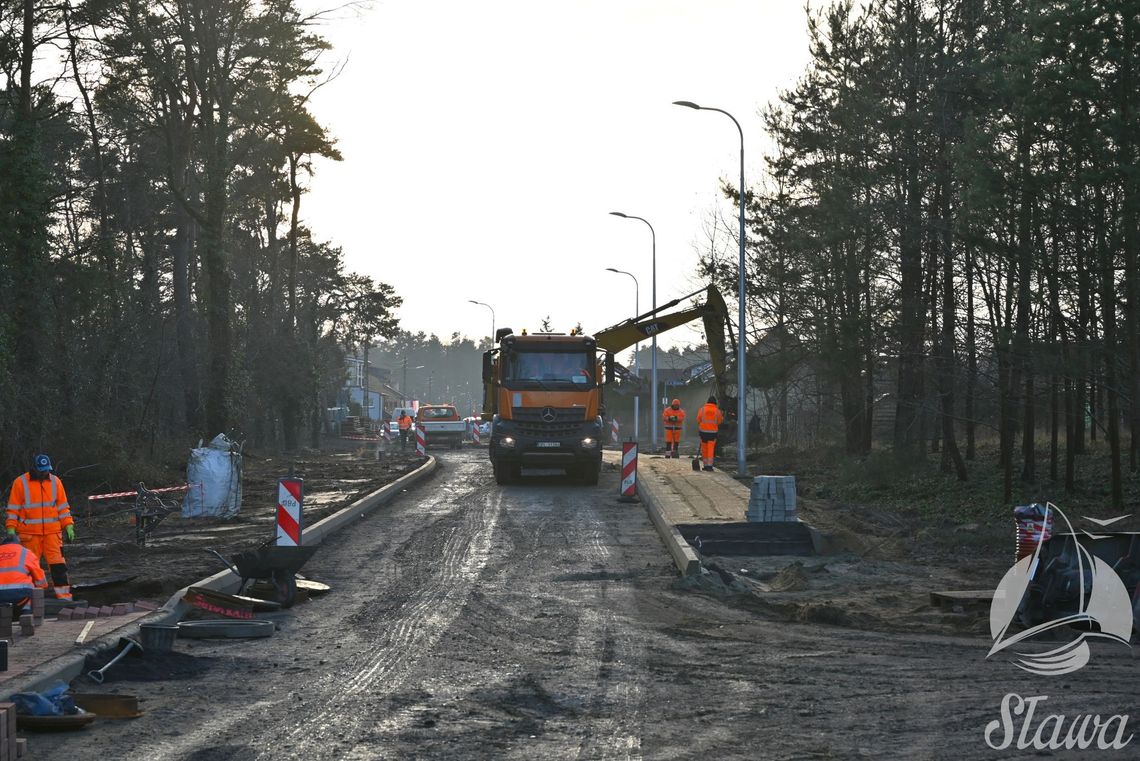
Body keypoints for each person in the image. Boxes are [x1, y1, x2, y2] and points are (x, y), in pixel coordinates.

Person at [6, 454, 75, 600]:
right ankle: (31, 601)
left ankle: (64, 598)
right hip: (29, 536)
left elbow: (63, 508)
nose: (45, 473)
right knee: (30, 569)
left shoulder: (56, 482)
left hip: (53, 534)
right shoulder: (20, 483)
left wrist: (68, 525)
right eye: (42, 470)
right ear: (34, 468)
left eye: (46, 470)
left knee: (59, 568)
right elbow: (13, 509)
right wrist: (11, 529)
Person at [0, 532, 46, 617]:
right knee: (31, 594)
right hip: (20, 594)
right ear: (18, 542)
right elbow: (40, 579)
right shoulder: (26, 552)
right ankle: (26, 615)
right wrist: (42, 588)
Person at [696, 396, 724, 472]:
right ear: (715, 402)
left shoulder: (702, 409)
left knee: (704, 449)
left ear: (707, 402)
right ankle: (709, 466)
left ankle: (705, 465)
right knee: (710, 449)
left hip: (703, 432)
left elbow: (698, 420)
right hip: (712, 433)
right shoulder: (717, 411)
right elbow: (720, 421)